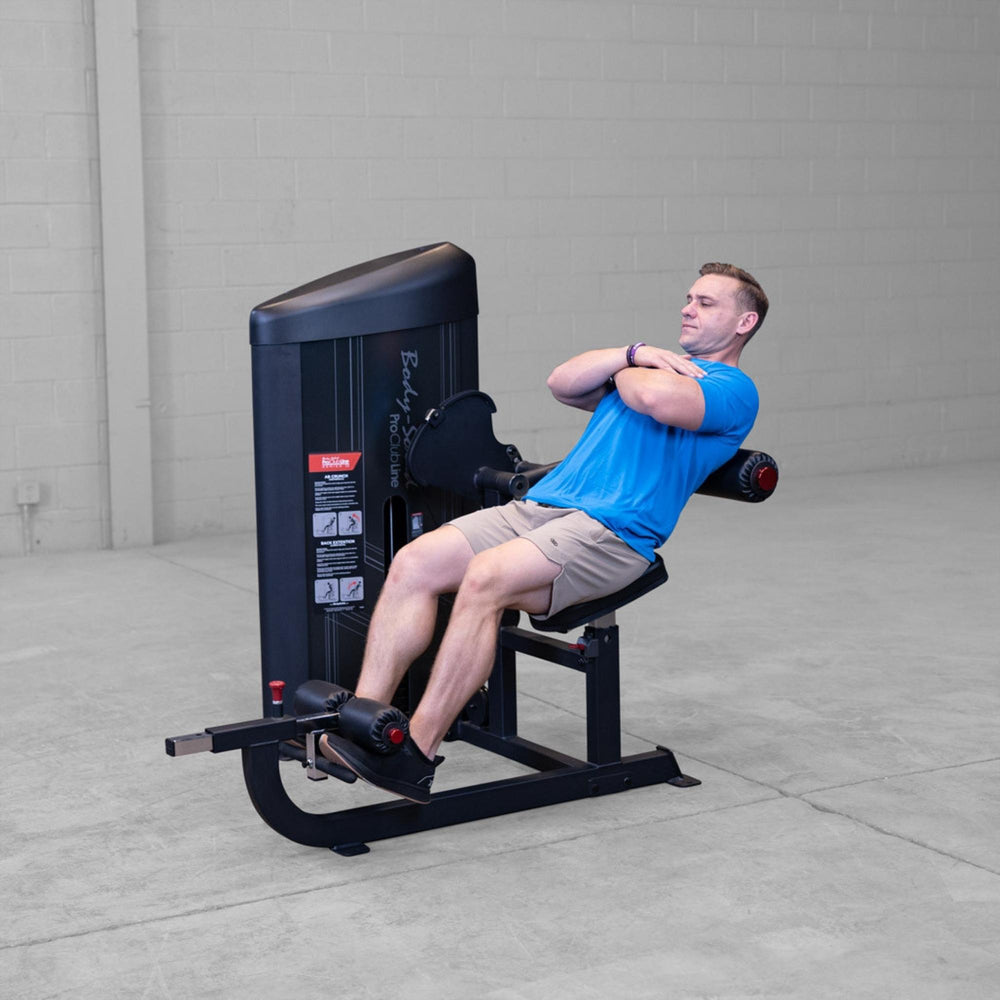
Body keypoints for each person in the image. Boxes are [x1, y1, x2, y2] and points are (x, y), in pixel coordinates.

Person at [320, 262, 768, 802]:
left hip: (611, 533)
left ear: (744, 323)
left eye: (706, 303)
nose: (688, 308)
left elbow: (652, 400)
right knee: (415, 562)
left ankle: (414, 756)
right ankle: (366, 727)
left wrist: (631, 370)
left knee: (484, 580)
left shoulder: (732, 388)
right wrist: (631, 354)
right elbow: (562, 381)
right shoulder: (652, 368)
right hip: (539, 509)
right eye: (689, 298)